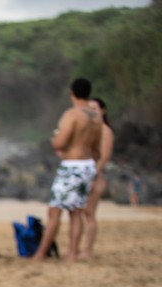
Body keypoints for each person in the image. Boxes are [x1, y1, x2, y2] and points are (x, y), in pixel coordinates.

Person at [31, 78, 103, 262]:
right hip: (88, 165)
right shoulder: (96, 117)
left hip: (72, 166)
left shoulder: (72, 114)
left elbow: (61, 141)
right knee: (76, 211)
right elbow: (96, 149)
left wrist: (55, 140)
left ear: (72, 93)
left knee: (54, 211)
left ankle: (40, 254)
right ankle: (72, 253)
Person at [82, 97, 114, 259]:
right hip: (86, 173)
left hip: (96, 175)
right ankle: (80, 248)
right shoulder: (90, 129)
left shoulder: (105, 131)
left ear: (103, 110)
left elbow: (104, 156)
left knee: (89, 212)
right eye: (89, 108)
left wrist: (93, 174)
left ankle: (87, 250)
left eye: (95, 108)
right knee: (80, 212)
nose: (91, 111)